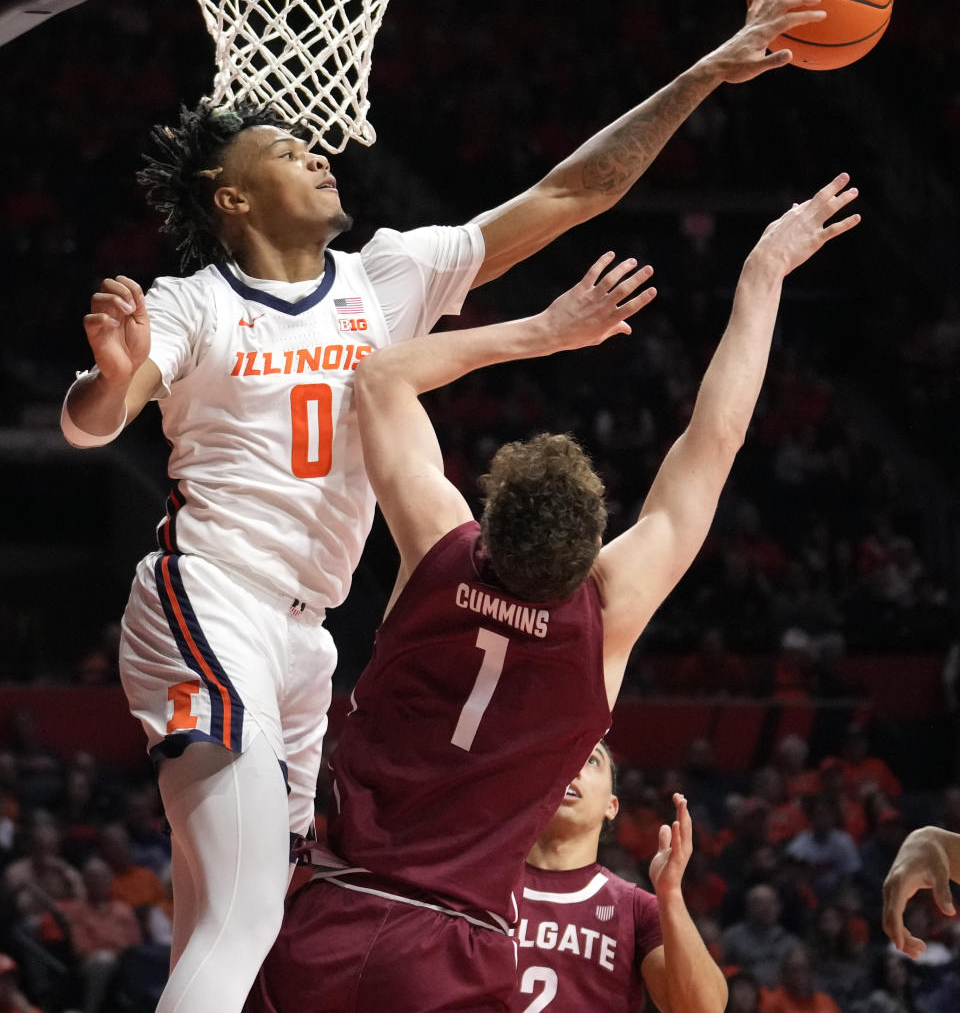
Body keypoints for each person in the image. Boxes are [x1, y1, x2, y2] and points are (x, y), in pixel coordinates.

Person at [59, 0, 826, 1013]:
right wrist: (108, 380)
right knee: (242, 913)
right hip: (216, 594)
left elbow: (571, 195)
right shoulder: (193, 305)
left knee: (244, 919)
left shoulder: (389, 281)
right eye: (284, 153)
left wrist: (703, 74)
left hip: (308, 636)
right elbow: (98, 418)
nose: (315, 154)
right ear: (229, 199)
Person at [249, 172, 860, 1012]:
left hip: (326, 916)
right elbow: (713, 442)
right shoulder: (605, 611)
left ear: (489, 520)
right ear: (589, 553)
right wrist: (763, 273)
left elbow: (383, 376)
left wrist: (545, 332)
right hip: (452, 950)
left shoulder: (439, 543)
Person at [512, 740, 726, 1012]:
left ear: (611, 806)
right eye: (563, 756)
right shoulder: (477, 886)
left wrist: (671, 894)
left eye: (591, 761)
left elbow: (703, 1010)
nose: (573, 768)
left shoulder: (637, 909)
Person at [882, 826, 960, 958]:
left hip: (936, 946)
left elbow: (953, 922)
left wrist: (939, 929)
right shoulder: (902, 886)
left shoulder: (941, 889)